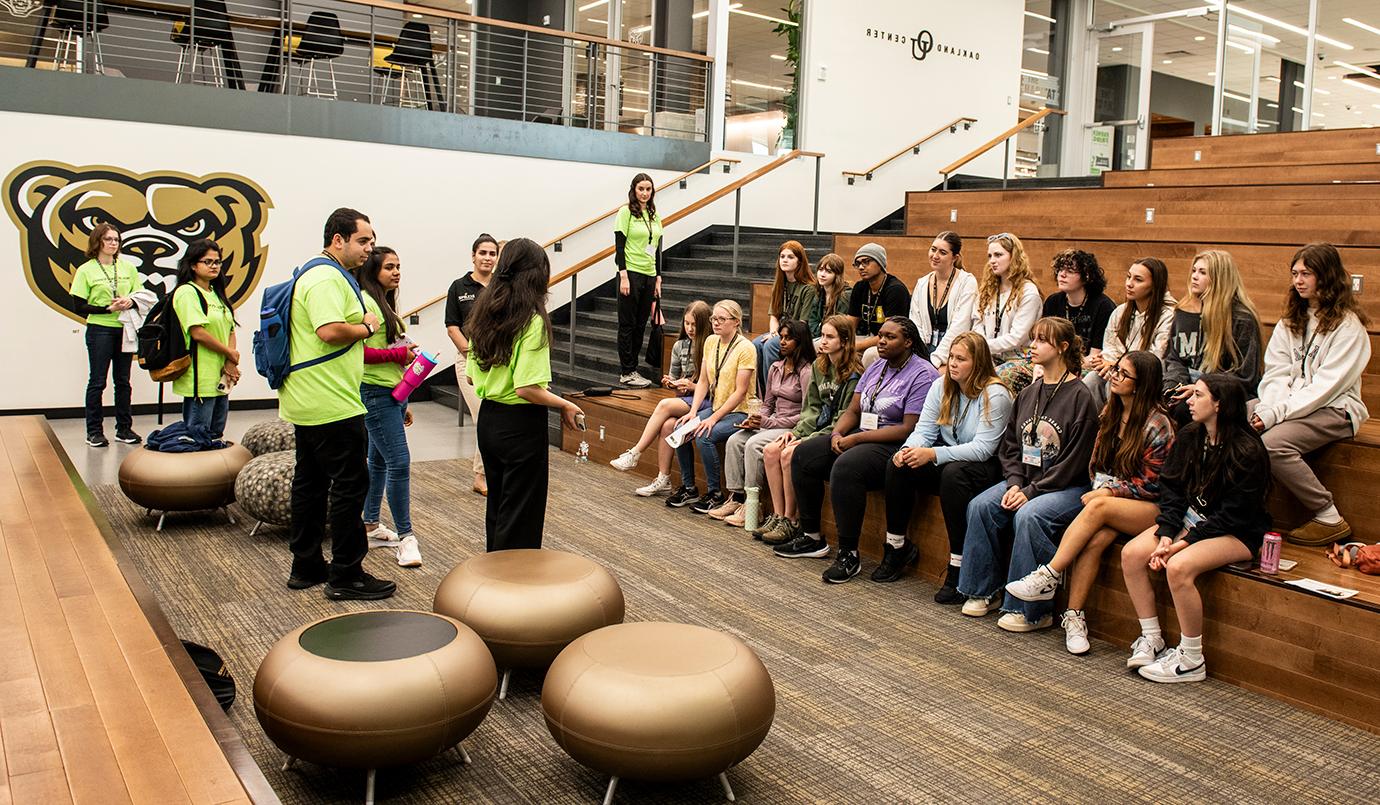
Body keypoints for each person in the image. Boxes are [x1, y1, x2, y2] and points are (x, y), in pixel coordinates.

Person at [1005, 350, 1173, 653]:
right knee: (1094, 541)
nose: (1113, 376)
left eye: (1122, 373)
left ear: (1141, 384)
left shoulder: (1158, 424)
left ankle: (1049, 574)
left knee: (1097, 506)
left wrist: (1108, 492)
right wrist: (1105, 489)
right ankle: (1074, 617)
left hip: (1153, 507)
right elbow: (1097, 467)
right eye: (1115, 370)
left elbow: (1153, 484)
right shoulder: (1110, 412)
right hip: (1115, 502)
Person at [1121, 373, 1270, 683]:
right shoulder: (1191, 435)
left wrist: (1179, 544)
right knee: (1132, 554)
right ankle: (1152, 638)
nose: (1189, 400)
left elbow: (1233, 514)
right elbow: (1172, 491)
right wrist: (1165, 534)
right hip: (1191, 521)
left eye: (1198, 395)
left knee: (1178, 567)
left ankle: (1191, 658)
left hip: (1237, 531)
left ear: (1219, 404)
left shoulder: (1247, 449)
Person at [281, 208, 395, 601]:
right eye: (363, 241)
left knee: (310, 483)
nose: (369, 249)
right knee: (350, 486)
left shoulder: (314, 274)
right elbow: (329, 331)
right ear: (337, 240)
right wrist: (366, 327)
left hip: (308, 398)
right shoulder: (327, 278)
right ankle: (347, 573)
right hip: (331, 402)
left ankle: (306, 564)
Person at [957, 316, 1098, 623]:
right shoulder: (1028, 392)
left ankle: (1031, 610)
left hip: (1067, 487)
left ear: (1061, 347)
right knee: (981, 506)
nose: (1033, 346)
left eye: (1042, 341)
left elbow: (1074, 461)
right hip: (1025, 481)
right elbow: (1010, 446)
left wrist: (1031, 491)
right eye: (1033, 338)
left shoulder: (1080, 397)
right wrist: (1013, 484)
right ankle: (984, 590)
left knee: (1030, 514)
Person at [779, 317, 939, 584]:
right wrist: (838, 433)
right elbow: (854, 410)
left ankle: (848, 554)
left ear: (908, 342)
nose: (882, 341)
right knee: (805, 454)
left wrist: (855, 441)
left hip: (895, 444)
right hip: (863, 436)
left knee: (846, 467)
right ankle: (812, 537)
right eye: (881, 336)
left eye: (891, 337)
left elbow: (908, 428)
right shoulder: (876, 367)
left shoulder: (923, 374)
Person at [467, 238, 584, 551]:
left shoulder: (484, 311)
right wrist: (565, 404)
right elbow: (527, 388)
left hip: (489, 419)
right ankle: (512, 586)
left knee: (500, 509)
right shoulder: (530, 321)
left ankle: (494, 576)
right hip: (519, 426)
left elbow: (470, 373)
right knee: (521, 513)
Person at [1252, 243, 1371, 546]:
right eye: (1294, 273)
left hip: (1336, 408)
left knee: (1273, 444)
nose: (1298, 280)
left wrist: (1274, 415)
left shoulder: (1348, 326)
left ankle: (1328, 515)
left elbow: (1324, 388)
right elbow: (1276, 373)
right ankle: (1240, 507)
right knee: (1226, 413)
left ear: (1327, 276)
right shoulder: (1291, 320)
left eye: (1307, 273)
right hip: (1292, 404)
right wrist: (1267, 408)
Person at [884, 331, 1012, 594]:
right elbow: (925, 431)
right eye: (952, 357)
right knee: (899, 464)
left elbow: (983, 449)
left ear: (977, 363)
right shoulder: (941, 385)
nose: (952, 363)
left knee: (953, 476)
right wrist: (909, 448)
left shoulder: (995, 394)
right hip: (951, 456)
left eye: (961, 359)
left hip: (987, 466)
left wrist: (933, 455)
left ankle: (959, 564)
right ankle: (896, 546)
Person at [757, 315, 862, 546]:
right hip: (815, 430)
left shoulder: (854, 373)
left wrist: (807, 440)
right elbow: (811, 408)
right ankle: (779, 514)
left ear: (844, 341)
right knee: (772, 450)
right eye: (822, 335)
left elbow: (844, 417)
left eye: (829, 337)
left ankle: (792, 521)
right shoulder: (819, 365)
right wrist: (797, 433)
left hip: (837, 434)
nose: (822, 341)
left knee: (788, 455)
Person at [354, 247, 423, 568]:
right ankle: (407, 537)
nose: (396, 272)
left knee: (379, 461)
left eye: (399, 266)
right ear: (373, 271)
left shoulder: (384, 302)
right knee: (399, 462)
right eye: (389, 267)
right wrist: (401, 355)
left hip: (392, 393)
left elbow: (384, 348)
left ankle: (369, 522)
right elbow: (362, 353)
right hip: (375, 392)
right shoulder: (367, 303)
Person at [714, 318, 815, 526]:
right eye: (782, 337)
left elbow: (806, 414)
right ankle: (737, 498)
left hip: (791, 426)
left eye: (789, 338)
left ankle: (754, 505)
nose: (782, 342)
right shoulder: (775, 367)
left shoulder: (807, 372)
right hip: (772, 421)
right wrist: (755, 420)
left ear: (801, 342)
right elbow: (768, 404)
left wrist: (767, 423)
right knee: (735, 440)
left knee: (753, 444)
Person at [609, 301, 713, 494]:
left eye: (694, 324)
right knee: (667, 426)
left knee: (664, 405)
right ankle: (664, 479)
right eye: (686, 323)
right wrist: (673, 384)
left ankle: (635, 453)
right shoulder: (679, 346)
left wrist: (692, 386)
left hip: (709, 401)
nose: (689, 328)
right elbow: (678, 391)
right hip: (689, 400)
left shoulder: (712, 345)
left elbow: (716, 387)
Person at [666, 300, 757, 513]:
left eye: (721, 319)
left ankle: (715, 493)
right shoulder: (710, 341)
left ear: (736, 322)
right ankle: (689, 487)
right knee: (679, 429)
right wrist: (693, 412)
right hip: (716, 406)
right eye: (713, 319)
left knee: (704, 435)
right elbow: (704, 382)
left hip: (740, 411)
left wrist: (713, 418)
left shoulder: (746, 348)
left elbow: (740, 391)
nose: (716, 323)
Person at [1162, 249, 1263, 424]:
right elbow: (1174, 358)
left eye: (1202, 272)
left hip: (1224, 393)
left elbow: (1245, 375)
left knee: (1184, 410)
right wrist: (1174, 385)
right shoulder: (1184, 311)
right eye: (1194, 270)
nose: (1194, 276)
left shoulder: (1242, 318)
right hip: (1188, 384)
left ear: (1219, 279)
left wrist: (1203, 388)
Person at [71, 223, 143, 447]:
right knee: (98, 381)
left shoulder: (127, 268)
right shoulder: (86, 270)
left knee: (123, 381)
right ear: (98, 242)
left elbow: (140, 294)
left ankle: (124, 428)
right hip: (100, 328)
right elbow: (79, 306)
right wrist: (106, 309)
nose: (113, 243)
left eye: (116, 240)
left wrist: (130, 301)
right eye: (108, 239)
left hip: (124, 328)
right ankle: (94, 431)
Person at [444, 233, 498, 496]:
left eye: (492, 253)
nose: (487, 258)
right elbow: (452, 327)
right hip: (468, 362)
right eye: (483, 253)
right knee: (484, 416)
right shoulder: (459, 287)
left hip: (498, 362)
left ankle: (489, 471)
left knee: (493, 417)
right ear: (473, 256)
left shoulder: (501, 287)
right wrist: (471, 353)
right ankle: (481, 475)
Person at [170, 239, 238, 440]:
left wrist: (230, 361)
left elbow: (230, 330)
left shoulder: (216, 294)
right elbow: (197, 332)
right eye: (208, 262)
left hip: (221, 377)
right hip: (200, 379)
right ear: (193, 264)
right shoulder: (187, 292)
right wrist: (230, 353)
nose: (214, 266)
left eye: (217, 262)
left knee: (216, 433)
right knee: (197, 436)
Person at [1084, 257, 1175, 404]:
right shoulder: (1121, 311)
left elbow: (1157, 358)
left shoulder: (1168, 316)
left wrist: (1116, 366)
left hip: (1145, 378)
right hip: (1119, 368)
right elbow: (1111, 346)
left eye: (1138, 280)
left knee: (1114, 382)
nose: (1129, 284)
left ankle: (1118, 424)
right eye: (1128, 277)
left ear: (1154, 285)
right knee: (1092, 379)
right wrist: (1106, 362)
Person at [975, 233, 1042, 393]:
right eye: (990, 256)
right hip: (989, 355)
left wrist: (982, 347)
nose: (992, 260)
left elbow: (1017, 338)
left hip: (1020, 359)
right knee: (956, 374)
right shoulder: (988, 288)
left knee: (992, 382)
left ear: (1014, 257)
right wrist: (980, 346)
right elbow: (977, 322)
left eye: (998, 255)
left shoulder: (1028, 292)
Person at [614, 173, 663, 389]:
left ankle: (633, 369)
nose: (644, 193)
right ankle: (627, 371)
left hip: (649, 274)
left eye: (648, 189)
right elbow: (619, 246)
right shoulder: (625, 212)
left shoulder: (653, 214)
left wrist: (658, 277)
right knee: (628, 324)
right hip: (631, 273)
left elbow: (657, 248)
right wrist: (623, 274)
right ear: (634, 189)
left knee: (641, 324)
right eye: (641, 189)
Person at [753, 241, 818, 393]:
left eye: (790, 257)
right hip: (781, 331)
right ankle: (761, 393)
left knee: (770, 346)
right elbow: (774, 315)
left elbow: (803, 323)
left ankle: (773, 393)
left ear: (800, 261)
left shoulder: (808, 288)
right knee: (756, 344)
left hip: (798, 333)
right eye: (782, 256)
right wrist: (773, 332)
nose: (785, 260)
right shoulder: (780, 284)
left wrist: (778, 336)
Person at [908, 231, 977, 367]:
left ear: (954, 257)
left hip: (954, 352)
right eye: (933, 250)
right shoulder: (922, 283)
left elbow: (960, 327)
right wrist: (918, 357)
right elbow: (915, 325)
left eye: (942, 252)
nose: (935, 256)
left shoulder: (967, 282)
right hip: (924, 350)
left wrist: (935, 361)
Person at [1042, 249, 1115, 365]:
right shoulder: (1052, 301)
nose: (1062, 274)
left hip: (1084, 366)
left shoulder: (1103, 306)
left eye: (1070, 271)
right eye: (1060, 269)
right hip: (1051, 362)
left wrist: (1060, 368)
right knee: (1007, 372)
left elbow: (1095, 356)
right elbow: (1043, 343)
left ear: (1086, 276)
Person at [846, 243, 911, 366]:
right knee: (826, 346)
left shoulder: (895, 290)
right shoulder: (860, 287)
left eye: (866, 262)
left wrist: (855, 346)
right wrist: (841, 340)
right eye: (858, 263)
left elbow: (890, 334)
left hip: (891, 342)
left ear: (880, 263)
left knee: (870, 354)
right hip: (866, 337)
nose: (861, 267)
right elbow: (850, 323)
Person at [811, 253, 852, 340]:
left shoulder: (845, 296)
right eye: (820, 269)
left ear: (837, 275)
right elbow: (812, 321)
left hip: (837, 338)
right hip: (820, 335)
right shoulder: (819, 294)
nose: (822, 274)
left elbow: (840, 325)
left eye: (829, 271)